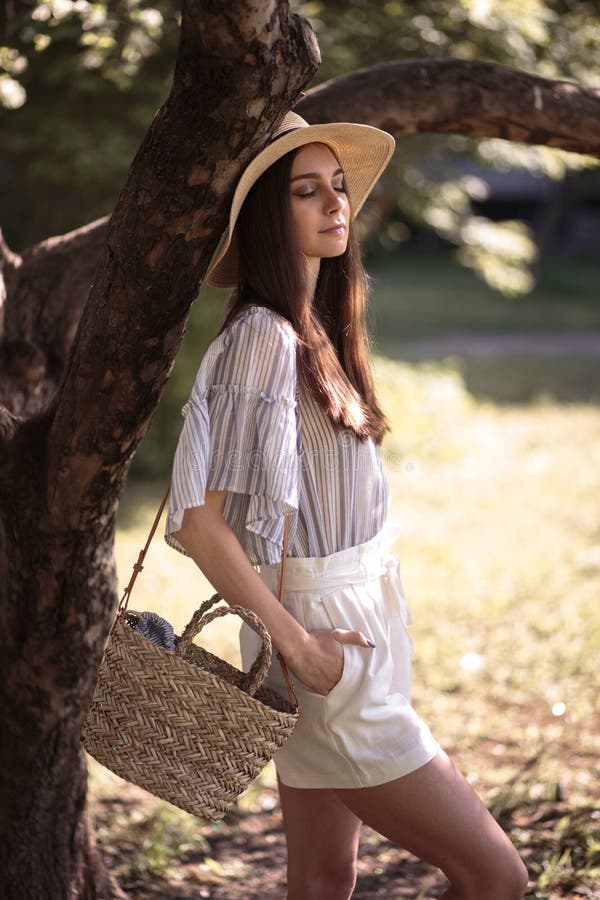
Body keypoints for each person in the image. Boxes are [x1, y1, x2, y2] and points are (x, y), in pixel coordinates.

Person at [165, 111, 528, 900]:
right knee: (496, 875)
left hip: (356, 622)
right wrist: (297, 647)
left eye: (338, 186)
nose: (336, 204)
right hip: (319, 640)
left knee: (325, 879)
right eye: (307, 191)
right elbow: (196, 522)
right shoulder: (262, 336)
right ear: (268, 214)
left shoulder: (314, 329)